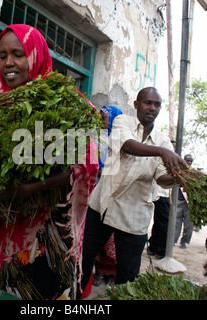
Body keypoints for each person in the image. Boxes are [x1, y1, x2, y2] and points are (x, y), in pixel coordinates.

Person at [0, 24, 99, 300]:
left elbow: (82, 166)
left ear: (36, 55)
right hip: (3, 227)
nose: (8, 63)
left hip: (49, 232)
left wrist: (26, 188)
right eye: (2, 56)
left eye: (18, 54)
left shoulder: (68, 102)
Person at [80, 87, 188, 293]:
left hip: (134, 216)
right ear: (137, 105)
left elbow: (161, 178)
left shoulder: (163, 140)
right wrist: (162, 152)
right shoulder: (123, 122)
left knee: (128, 279)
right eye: (148, 103)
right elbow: (128, 146)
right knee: (82, 263)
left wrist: (177, 178)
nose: (152, 108)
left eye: (157, 105)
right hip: (102, 205)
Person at [93, 106, 123, 286]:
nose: (102, 121)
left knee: (113, 236)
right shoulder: (96, 137)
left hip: (114, 192)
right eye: (101, 117)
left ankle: (113, 272)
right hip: (97, 188)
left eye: (105, 118)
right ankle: (99, 271)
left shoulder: (121, 140)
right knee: (97, 234)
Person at [174, 154, 194, 249]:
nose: (189, 162)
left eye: (190, 161)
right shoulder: (178, 171)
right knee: (176, 222)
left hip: (189, 203)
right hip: (179, 200)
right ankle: (173, 240)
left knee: (188, 224)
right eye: (187, 160)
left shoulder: (194, 173)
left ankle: (184, 241)